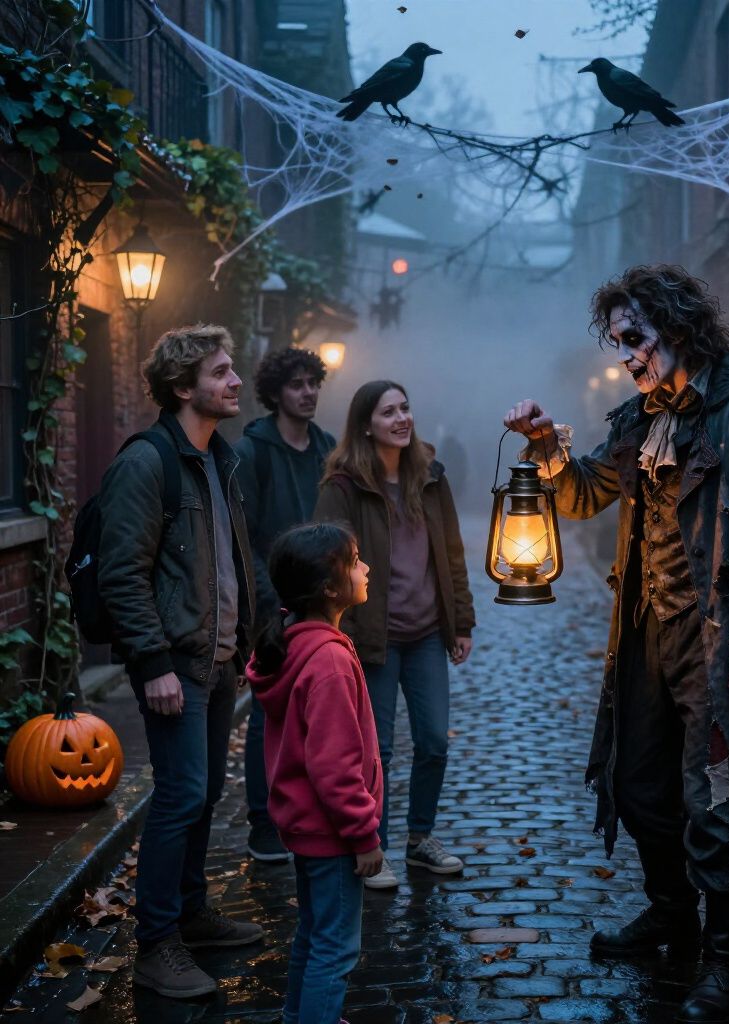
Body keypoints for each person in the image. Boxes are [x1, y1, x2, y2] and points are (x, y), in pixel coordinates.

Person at [504, 265, 729, 1024]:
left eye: (634, 339)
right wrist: (545, 444)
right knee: (640, 785)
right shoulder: (639, 421)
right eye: (617, 343)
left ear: (677, 329)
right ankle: (673, 914)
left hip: (719, 639)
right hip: (646, 633)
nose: (626, 356)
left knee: (719, 797)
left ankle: (726, 964)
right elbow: (584, 494)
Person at [98, 324, 263, 999]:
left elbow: (229, 562)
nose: (235, 380)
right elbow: (121, 573)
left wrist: (244, 641)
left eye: (232, 368)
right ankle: (157, 943)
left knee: (205, 794)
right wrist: (152, 661)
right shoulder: (149, 462)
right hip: (176, 664)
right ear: (181, 386)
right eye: (220, 371)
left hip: (217, 660)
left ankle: (191, 913)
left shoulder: (219, 459)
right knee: (179, 796)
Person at [314, 380, 475, 890]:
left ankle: (420, 838)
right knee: (376, 750)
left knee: (434, 741)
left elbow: (451, 553)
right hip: (372, 638)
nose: (402, 418)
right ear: (366, 425)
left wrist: (461, 622)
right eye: (388, 412)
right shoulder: (343, 486)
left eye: (405, 408)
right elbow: (326, 561)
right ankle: (373, 847)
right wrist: (338, 632)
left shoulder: (430, 477)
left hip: (426, 633)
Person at [247, 522, 383, 1024]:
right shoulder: (327, 661)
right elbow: (334, 767)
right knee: (336, 948)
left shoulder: (301, 644)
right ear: (329, 587)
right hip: (333, 834)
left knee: (313, 933)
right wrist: (363, 835)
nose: (365, 568)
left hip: (308, 828)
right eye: (355, 561)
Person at [235, 347, 336, 863]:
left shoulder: (328, 449)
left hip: (323, 605)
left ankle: (311, 814)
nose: (308, 392)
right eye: (297, 384)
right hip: (272, 605)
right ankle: (263, 823)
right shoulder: (252, 452)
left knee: (320, 712)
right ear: (275, 393)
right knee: (269, 713)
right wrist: (270, 598)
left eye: (313, 382)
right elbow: (244, 534)